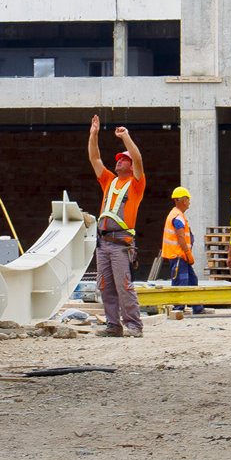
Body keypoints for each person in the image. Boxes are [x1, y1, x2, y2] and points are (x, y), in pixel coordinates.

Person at [86, 115, 146, 337]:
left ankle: (134, 325)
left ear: (130, 166)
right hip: (103, 243)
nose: (119, 161)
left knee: (124, 285)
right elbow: (94, 157)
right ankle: (113, 325)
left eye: (123, 159)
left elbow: (138, 159)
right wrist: (94, 134)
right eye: (119, 159)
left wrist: (126, 137)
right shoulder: (109, 181)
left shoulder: (136, 184)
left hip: (121, 243)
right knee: (105, 286)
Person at [158, 187, 198, 286]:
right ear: (184, 201)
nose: (189, 202)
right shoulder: (178, 216)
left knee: (192, 282)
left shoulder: (175, 214)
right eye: (188, 199)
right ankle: (180, 302)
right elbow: (181, 238)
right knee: (181, 286)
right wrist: (188, 254)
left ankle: (191, 301)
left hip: (180, 258)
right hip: (179, 258)